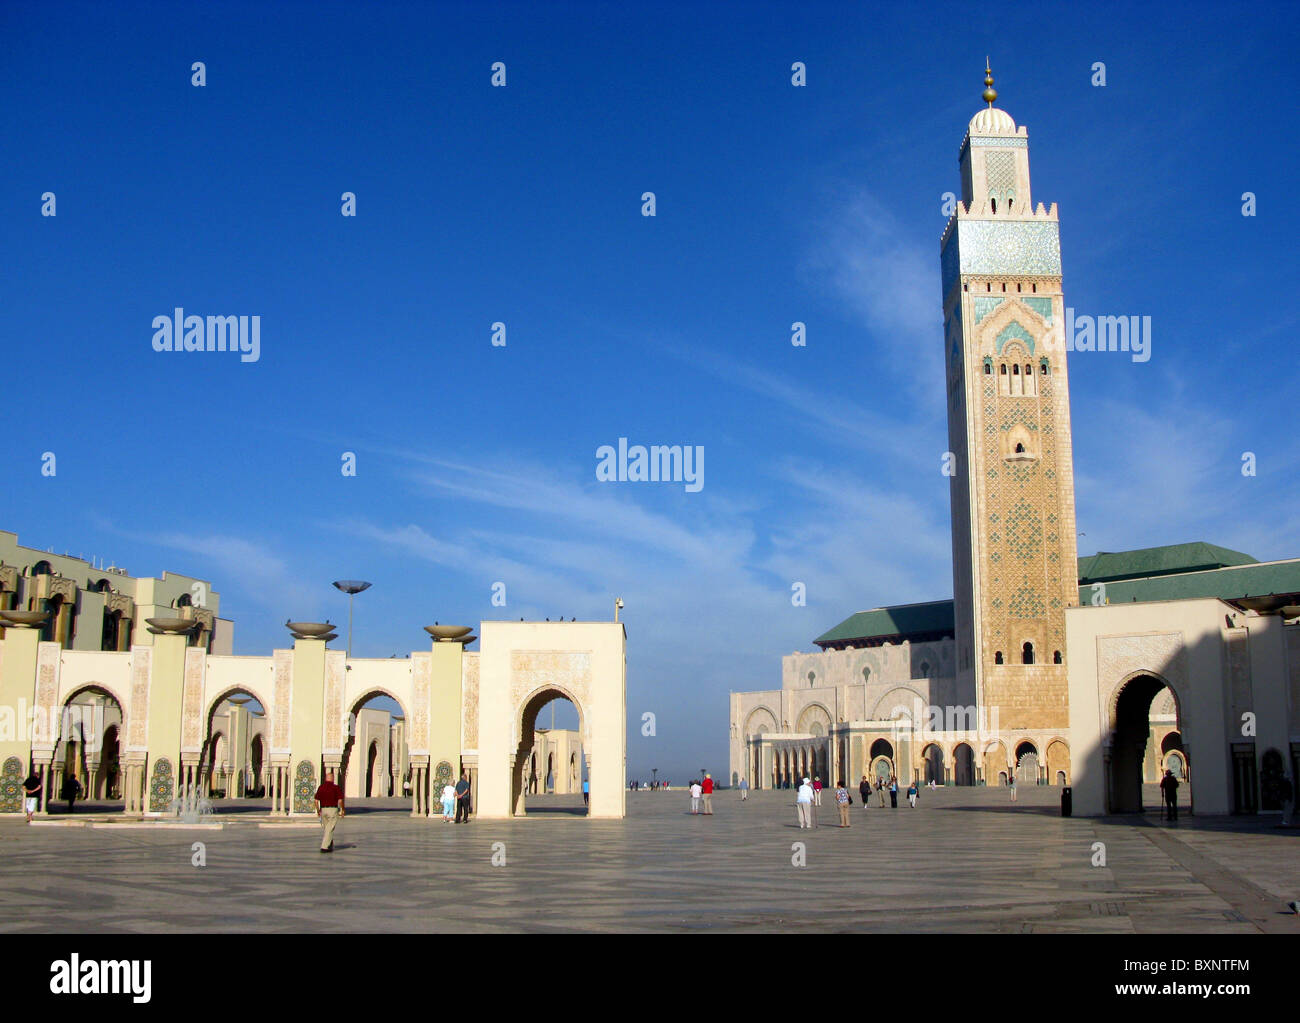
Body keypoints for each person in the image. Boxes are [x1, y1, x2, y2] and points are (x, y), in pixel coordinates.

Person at [313, 769, 344, 853]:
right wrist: (342, 809)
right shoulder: (335, 788)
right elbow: (340, 800)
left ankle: (329, 844)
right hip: (332, 810)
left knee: (327, 828)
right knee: (329, 829)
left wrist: (318, 810)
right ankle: (324, 847)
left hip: (323, 810)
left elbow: (316, 800)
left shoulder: (321, 787)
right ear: (333, 779)